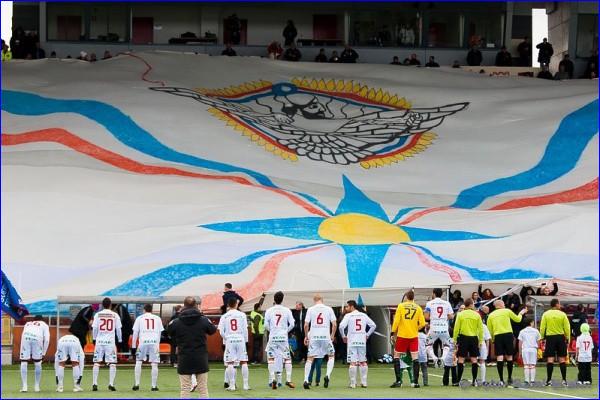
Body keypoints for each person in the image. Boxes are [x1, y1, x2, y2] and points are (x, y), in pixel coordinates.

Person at [168, 296, 217, 398]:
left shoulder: (177, 322)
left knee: (185, 388)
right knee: (203, 388)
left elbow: (169, 331)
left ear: (184, 306)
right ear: (195, 305)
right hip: (200, 357)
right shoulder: (203, 320)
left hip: (184, 357)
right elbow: (212, 330)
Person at [486, 299, 526, 386]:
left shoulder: (491, 315)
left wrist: (493, 339)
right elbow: (518, 320)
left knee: (499, 357)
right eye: (503, 304)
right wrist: (521, 313)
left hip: (498, 336)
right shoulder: (507, 311)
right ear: (500, 305)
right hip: (508, 335)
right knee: (509, 357)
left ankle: (501, 379)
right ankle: (509, 377)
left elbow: (490, 329)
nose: (504, 305)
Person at [390, 290, 426, 388]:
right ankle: (415, 382)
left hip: (402, 335)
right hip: (413, 336)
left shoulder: (401, 306)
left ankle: (398, 381)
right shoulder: (418, 308)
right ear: (414, 297)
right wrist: (415, 328)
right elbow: (423, 323)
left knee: (396, 356)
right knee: (415, 358)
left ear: (406, 297)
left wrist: (393, 332)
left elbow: (396, 321)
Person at [338, 300, 376, 388]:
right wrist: (367, 335)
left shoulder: (348, 316)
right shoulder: (363, 315)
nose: (346, 308)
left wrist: (344, 336)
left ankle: (353, 383)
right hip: (362, 341)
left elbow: (341, 326)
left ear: (352, 306)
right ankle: (364, 382)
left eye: (347, 306)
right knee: (363, 361)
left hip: (352, 341)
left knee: (353, 362)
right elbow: (373, 325)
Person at [303, 294, 337, 389]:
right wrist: (332, 335)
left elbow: (306, 325)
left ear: (314, 300)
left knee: (310, 358)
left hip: (314, 337)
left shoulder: (310, 309)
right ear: (322, 300)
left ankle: (306, 380)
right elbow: (334, 324)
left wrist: (306, 336)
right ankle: (327, 375)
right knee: (331, 356)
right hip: (325, 336)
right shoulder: (329, 309)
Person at [264, 291, 295, 389]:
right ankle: (288, 380)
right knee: (287, 358)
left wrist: (272, 331)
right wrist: (285, 331)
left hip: (273, 336)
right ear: (282, 299)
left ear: (274, 299)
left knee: (271, 358)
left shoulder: (269, 310)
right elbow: (292, 324)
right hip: (283, 337)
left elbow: (265, 325)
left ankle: (273, 378)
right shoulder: (287, 310)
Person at [218, 297, 250, 391]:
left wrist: (226, 338)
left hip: (230, 340)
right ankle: (245, 385)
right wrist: (245, 341)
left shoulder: (224, 316)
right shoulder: (242, 315)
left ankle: (232, 385)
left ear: (228, 305)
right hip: (240, 339)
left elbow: (221, 331)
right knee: (244, 361)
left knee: (230, 362)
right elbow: (245, 329)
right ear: (236, 304)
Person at [91, 297, 122, 391]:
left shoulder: (98, 315)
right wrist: (120, 340)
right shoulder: (115, 315)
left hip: (100, 341)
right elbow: (118, 329)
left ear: (102, 304)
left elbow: (95, 328)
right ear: (110, 304)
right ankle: (111, 384)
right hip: (110, 342)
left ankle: (94, 383)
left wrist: (94, 338)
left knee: (96, 362)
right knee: (112, 363)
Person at [131, 304, 164, 391]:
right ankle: (153, 386)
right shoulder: (157, 318)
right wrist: (157, 344)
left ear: (144, 310)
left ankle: (137, 384)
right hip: (154, 342)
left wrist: (133, 346)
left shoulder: (140, 318)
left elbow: (135, 333)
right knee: (154, 363)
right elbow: (160, 333)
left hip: (143, 342)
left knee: (138, 361)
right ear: (152, 310)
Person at [540, 298, 570, 386]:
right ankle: (564, 380)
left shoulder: (546, 314)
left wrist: (542, 337)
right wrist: (568, 338)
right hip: (560, 338)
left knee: (550, 359)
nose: (560, 305)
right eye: (559, 304)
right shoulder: (562, 314)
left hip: (550, 338)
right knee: (562, 359)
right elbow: (567, 328)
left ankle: (549, 380)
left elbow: (542, 327)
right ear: (556, 304)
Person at [452, 298, 483, 386]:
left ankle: (458, 381)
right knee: (474, 359)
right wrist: (480, 340)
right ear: (471, 304)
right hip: (473, 338)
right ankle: (474, 381)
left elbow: (456, 328)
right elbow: (480, 329)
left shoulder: (460, 314)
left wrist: (454, 339)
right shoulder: (477, 315)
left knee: (461, 359)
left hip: (463, 338)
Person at [424, 288, 454, 369]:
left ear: (434, 294)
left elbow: (426, 317)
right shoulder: (447, 303)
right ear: (442, 294)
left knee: (427, 344)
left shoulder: (429, 303)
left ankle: (434, 358)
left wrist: (433, 317)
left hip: (433, 328)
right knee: (447, 345)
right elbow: (451, 316)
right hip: (444, 328)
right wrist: (444, 317)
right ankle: (443, 358)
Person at [19, 315, 50, 392]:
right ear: (42, 320)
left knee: (24, 362)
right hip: (37, 338)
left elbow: (22, 334)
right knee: (37, 362)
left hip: (25, 337)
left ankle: (24, 386)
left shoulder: (28, 323)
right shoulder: (44, 324)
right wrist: (44, 353)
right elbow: (46, 340)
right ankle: (37, 386)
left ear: (34, 320)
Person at [518, 318, 541, 385]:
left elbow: (520, 342)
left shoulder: (522, 331)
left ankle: (526, 381)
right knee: (533, 365)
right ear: (531, 323)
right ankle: (532, 381)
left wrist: (519, 352)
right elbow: (538, 341)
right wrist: (538, 349)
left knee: (526, 365)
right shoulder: (536, 331)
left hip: (525, 349)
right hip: (533, 349)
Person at [249, 295, 266, 364]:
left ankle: (254, 359)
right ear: (258, 307)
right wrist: (257, 332)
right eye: (260, 307)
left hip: (255, 332)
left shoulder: (253, 313)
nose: (261, 308)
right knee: (257, 348)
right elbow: (256, 325)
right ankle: (255, 360)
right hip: (258, 333)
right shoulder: (257, 315)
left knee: (256, 347)